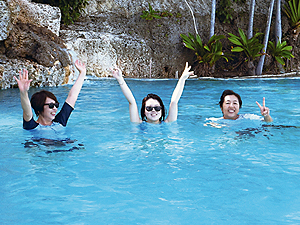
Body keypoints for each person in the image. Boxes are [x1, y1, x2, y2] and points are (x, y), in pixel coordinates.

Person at [111, 62, 194, 124]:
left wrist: (182, 79)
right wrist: (120, 80)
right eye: (149, 108)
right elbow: (132, 102)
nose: (153, 111)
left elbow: (174, 102)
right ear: (144, 111)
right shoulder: (138, 124)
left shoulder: (168, 123)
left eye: (157, 108)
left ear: (161, 110)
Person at [14, 59, 86, 130]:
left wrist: (82, 73)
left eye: (56, 105)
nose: (55, 108)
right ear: (39, 109)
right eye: (51, 106)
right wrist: (23, 92)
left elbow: (72, 96)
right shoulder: (32, 126)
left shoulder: (60, 122)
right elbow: (27, 111)